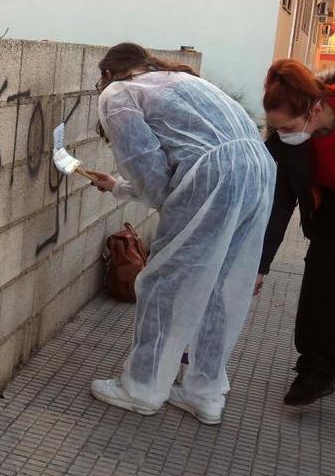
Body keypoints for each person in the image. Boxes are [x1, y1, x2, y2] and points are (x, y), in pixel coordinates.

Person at [85, 43, 276, 425]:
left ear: (108, 73)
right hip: (258, 170)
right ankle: (205, 392)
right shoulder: (180, 79)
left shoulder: (118, 93)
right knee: (222, 285)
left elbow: (149, 169)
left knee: (164, 281)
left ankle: (142, 388)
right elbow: (182, 156)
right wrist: (119, 187)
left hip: (215, 177)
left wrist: (160, 205)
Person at [257, 60, 335, 406]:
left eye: (288, 128)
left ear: (315, 109)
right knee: (320, 285)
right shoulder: (290, 144)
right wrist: (260, 265)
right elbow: (279, 205)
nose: (284, 135)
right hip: (328, 213)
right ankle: (315, 371)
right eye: (278, 130)